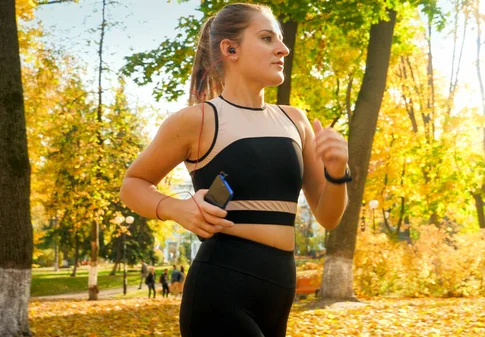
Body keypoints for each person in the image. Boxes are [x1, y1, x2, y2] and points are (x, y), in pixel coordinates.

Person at [119, 3, 348, 336]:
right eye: (267, 38)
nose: (283, 49)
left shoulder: (295, 120)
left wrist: (338, 172)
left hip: (279, 289)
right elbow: (133, 184)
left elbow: (328, 216)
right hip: (221, 287)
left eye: (281, 40)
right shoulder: (196, 120)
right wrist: (176, 209)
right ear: (230, 49)